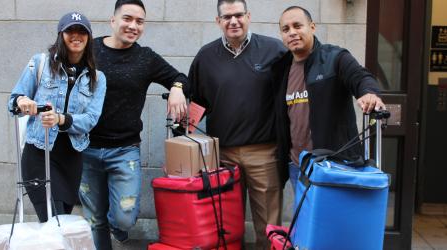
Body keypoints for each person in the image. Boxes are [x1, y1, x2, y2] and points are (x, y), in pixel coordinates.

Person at [77, 0, 188, 248]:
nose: (133, 25)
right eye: (127, 18)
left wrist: (177, 89)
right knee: (95, 221)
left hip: (124, 151)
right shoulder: (90, 50)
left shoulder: (145, 57)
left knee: (125, 218)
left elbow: (179, 77)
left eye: (139, 21)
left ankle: (115, 225)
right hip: (86, 148)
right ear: (113, 20)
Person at [188, 0, 287, 248]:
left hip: (263, 153)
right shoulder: (206, 56)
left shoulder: (274, 50)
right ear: (218, 21)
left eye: (239, 15)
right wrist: (182, 143)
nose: (234, 21)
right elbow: (197, 103)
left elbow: (291, 95)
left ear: (249, 16)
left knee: (269, 227)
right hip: (222, 155)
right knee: (225, 226)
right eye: (227, 16)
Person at [7, 12, 106, 222]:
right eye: (70, 30)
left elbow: (91, 119)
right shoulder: (40, 63)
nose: (76, 35)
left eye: (82, 31)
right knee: (54, 220)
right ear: (61, 35)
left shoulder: (98, 78)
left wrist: (61, 119)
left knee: (60, 223)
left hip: (71, 160)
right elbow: (14, 99)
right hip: (38, 155)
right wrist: (22, 102)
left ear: (88, 37)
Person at [275, 6, 386, 190]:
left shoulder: (335, 58)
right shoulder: (281, 68)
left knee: (335, 218)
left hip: (334, 165)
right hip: (297, 166)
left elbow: (360, 76)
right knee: (305, 219)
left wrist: (369, 92)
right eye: (286, 29)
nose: (292, 33)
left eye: (297, 26)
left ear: (312, 27)